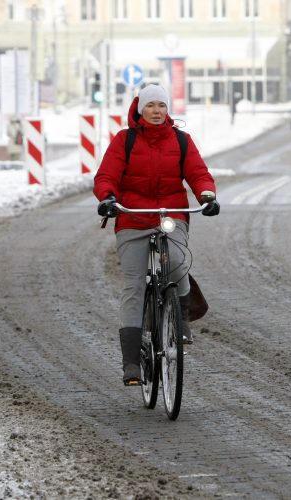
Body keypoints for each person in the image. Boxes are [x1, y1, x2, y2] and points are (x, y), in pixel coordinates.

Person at [93, 84, 220, 386]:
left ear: (167, 110)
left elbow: (199, 172)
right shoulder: (125, 140)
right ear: (140, 109)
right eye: (150, 106)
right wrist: (108, 197)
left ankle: (182, 318)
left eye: (161, 106)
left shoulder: (181, 140)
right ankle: (132, 363)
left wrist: (207, 195)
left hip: (170, 215)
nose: (156, 111)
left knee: (178, 262)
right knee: (134, 286)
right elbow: (106, 175)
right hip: (133, 217)